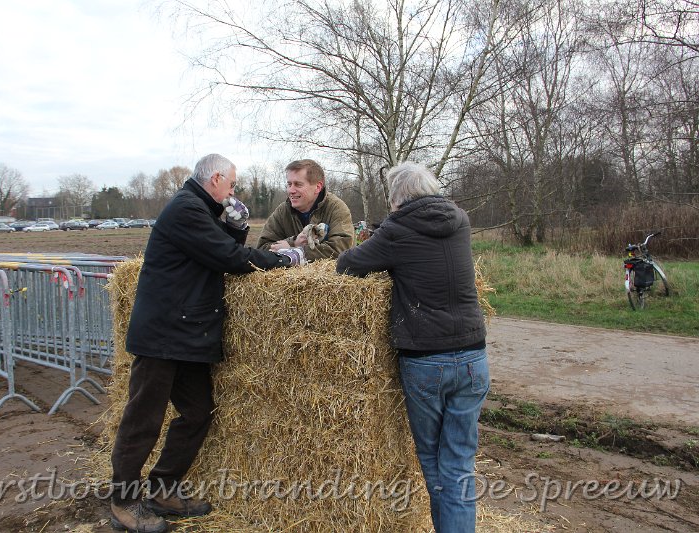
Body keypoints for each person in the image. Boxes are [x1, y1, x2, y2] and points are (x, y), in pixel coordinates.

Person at [110, 154, 301, 533]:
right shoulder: (186, 209)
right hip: (164, 333)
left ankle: (163, 488)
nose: (233, 191)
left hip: (187, 332)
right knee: (144, 418)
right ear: (215, 179)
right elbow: (227, 258)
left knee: (198, 412)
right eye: (231, 184)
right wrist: (287, 260)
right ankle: (124, 501)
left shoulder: (198, 207)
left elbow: (213, 250)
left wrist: (235, 226)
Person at [336, 162, 488, 532]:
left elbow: (347, 264)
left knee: (436, 463)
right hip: (473, 355)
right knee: (460, 463)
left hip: (427, 361)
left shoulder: (396, 228)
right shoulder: (460, 220)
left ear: (396, 199)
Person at [257, 159, 355, 261]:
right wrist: (294, 242)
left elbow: (340, 250)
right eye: (289, 184)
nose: (291, 190)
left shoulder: (336, 208)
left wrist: (294, 250)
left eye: (298, 184)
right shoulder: (283, 211)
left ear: (318, 187)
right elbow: (261, 249)